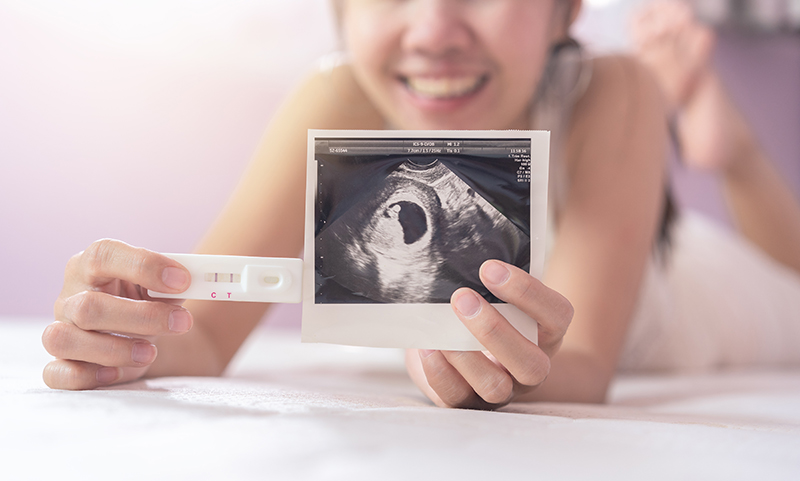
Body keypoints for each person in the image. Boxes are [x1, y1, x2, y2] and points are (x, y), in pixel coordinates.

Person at [40, 0, 800, 409]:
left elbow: (588, 363)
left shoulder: (616, 87)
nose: (435, 32)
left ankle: (733, 153)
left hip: (693, 288)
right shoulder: (333, 96)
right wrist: (122, 336)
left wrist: (503, 371)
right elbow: (200, 339)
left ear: (568, 10)